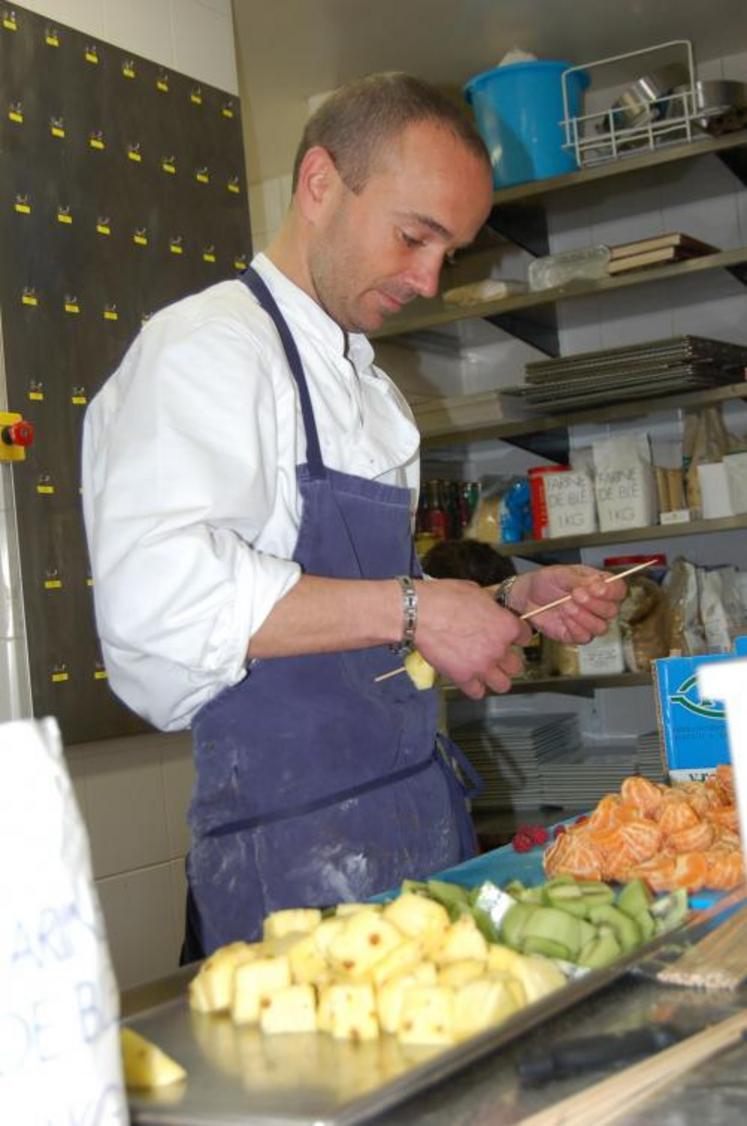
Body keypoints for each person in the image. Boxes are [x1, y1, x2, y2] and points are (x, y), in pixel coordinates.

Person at [82, 72, 625, 958]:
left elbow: (358, 600)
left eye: (448, 253)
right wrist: (415, 610)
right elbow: (156, 603)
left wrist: (504, 599)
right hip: (291, 868)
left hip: (413, 824)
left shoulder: (365, 385)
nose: (428, 279)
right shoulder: (208, 350)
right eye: (414, 237)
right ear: (320, 183)